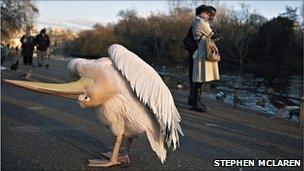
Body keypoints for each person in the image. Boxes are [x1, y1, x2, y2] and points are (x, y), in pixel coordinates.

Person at [188, 5, 220, 112]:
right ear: (202, 13)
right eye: (207, 13)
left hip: (201, 53)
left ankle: (197, 102)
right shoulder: (200, 22)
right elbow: (213, 34)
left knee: (200, 79)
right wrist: (217, 34)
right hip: (201, 54)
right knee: (199, 79)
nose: (209, 15)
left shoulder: (200, 21)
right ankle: (196, 104)